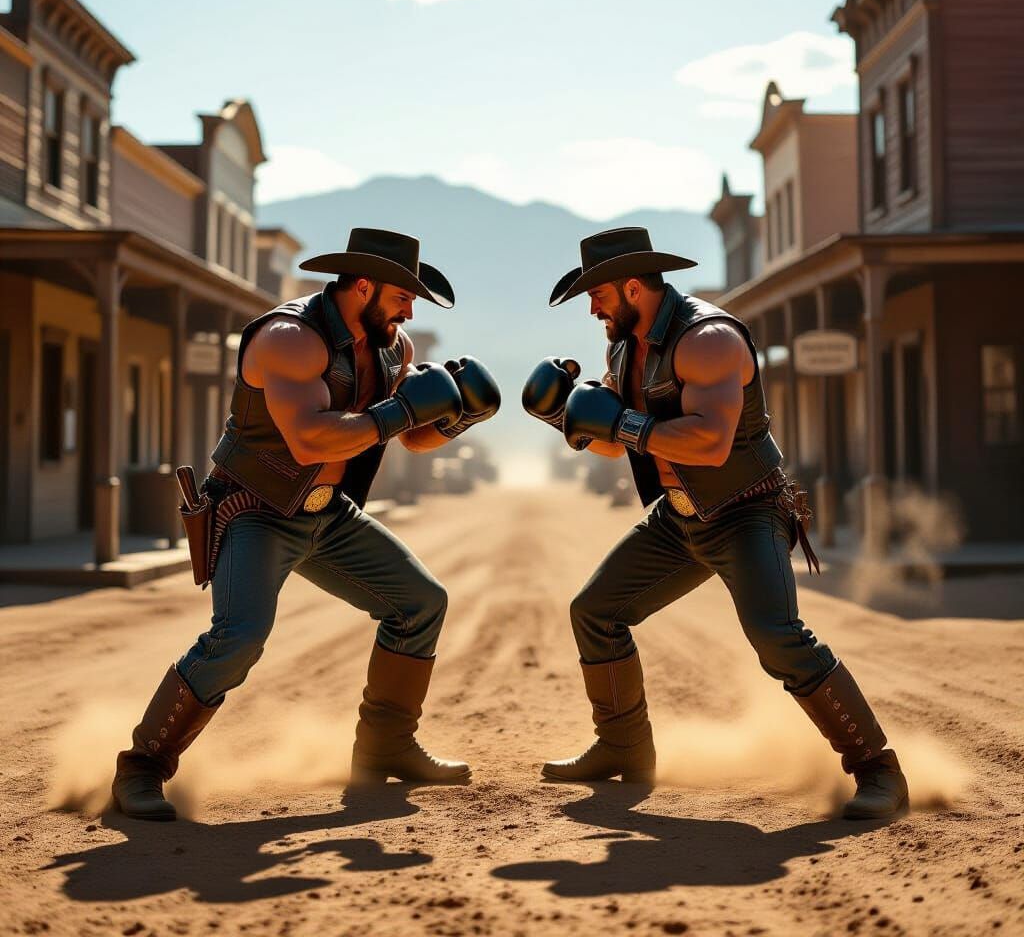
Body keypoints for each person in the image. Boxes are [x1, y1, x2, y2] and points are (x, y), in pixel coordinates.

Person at [112, 228, 500, 821]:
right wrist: (403, 407)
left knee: (419, 603)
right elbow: (310, 438)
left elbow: (410, 438)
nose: (410, 311)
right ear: (363, 285)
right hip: (256, 509)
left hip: (327, 512)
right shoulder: (289, 339)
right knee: (239, 638)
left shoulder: (392, 347)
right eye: (403, 296)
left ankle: (386, 747)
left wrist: (456, 419)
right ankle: (142, 765)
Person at [522, 226, 908, 820]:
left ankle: (878, 770)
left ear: (632, 287)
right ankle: (623, 747)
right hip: (679, 518)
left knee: (777, 637)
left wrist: (619, 422)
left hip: (747, 510)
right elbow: (616, 444)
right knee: (595, 612)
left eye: (597, 295)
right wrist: (564, 418)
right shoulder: (624, 349)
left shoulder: (709, 339)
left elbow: (710, 442)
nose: (593, 309)